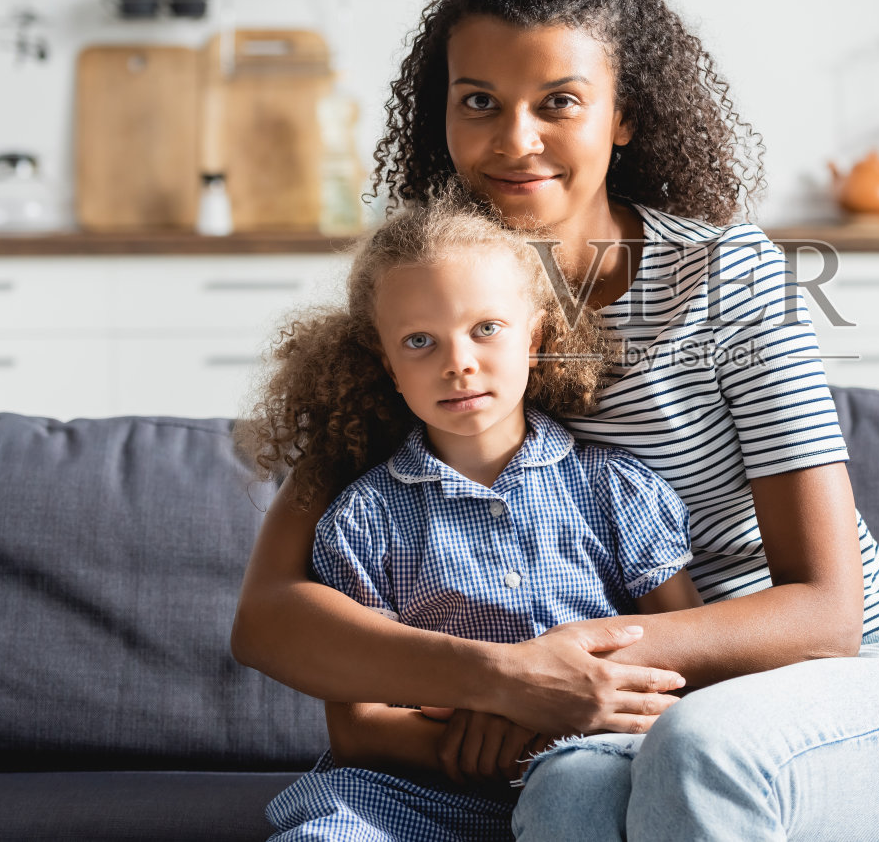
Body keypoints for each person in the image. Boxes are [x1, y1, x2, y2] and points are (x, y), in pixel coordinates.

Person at [232, 0, 879, 842]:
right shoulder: (428, 308)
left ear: (623, 115)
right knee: (568, 797)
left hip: (856, 687)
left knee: (699, 750)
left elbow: (829, 613)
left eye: (560, 104)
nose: (515, 142)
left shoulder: (728, 279)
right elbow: (269, 617)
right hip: (609, 722)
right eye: (480, 103)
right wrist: (503, 680)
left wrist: (565, 661)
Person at [238, 186, 704, 840]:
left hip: (589, 776)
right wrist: (497, 730)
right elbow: (358, 727)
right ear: (386, 363)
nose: (459, 363)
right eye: (420, 341)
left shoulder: (616, 492)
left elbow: (686, 668)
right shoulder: (361, 518)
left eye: (486, 329)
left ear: (537, 335)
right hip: (404, 800)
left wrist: (549, 733)